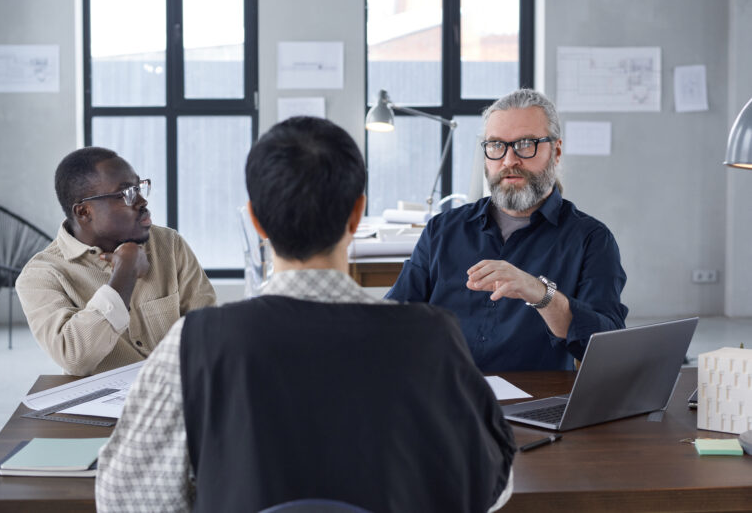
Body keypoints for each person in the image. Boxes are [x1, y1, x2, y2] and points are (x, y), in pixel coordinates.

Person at [96, 117, 515, 513]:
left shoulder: (195, 342)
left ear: (257, 221)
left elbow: (125, 499)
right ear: (357, 214)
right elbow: (491, 485)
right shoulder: (432, 336)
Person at [387, 88, 628, 371]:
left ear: (557, 151)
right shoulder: (442, 230)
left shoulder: (591, 240)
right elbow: (395, 317)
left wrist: (541, 294)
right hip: (444, 398)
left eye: (526, 144)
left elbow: (607, 346)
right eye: (496, 145)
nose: (509, 160)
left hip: (532, 406)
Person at [15, 147, 216, 376]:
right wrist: (124, 275)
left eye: (139, 188)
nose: (141, 201)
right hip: (101, 410)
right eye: (126, 194)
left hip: (180, 396)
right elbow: (75, 358)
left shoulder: (169, 244)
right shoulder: (41, 276)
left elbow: (208, 331)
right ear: (84, 212)